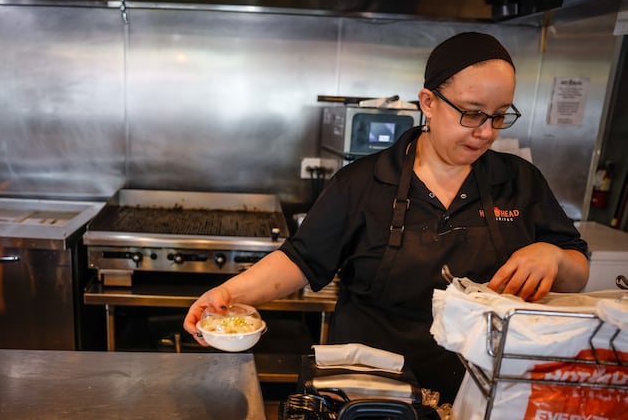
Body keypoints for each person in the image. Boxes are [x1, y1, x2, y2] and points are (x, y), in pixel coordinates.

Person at [182, 32, 589, 404]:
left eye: (499, 116)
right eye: (471, 113)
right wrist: (228, 294)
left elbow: (578, 269)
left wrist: (553, 256)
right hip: (371, 393)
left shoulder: (519, 181)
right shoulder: (363, 182)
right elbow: (301, 259)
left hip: (484, 393)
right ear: (428, 102)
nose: (485, 132)